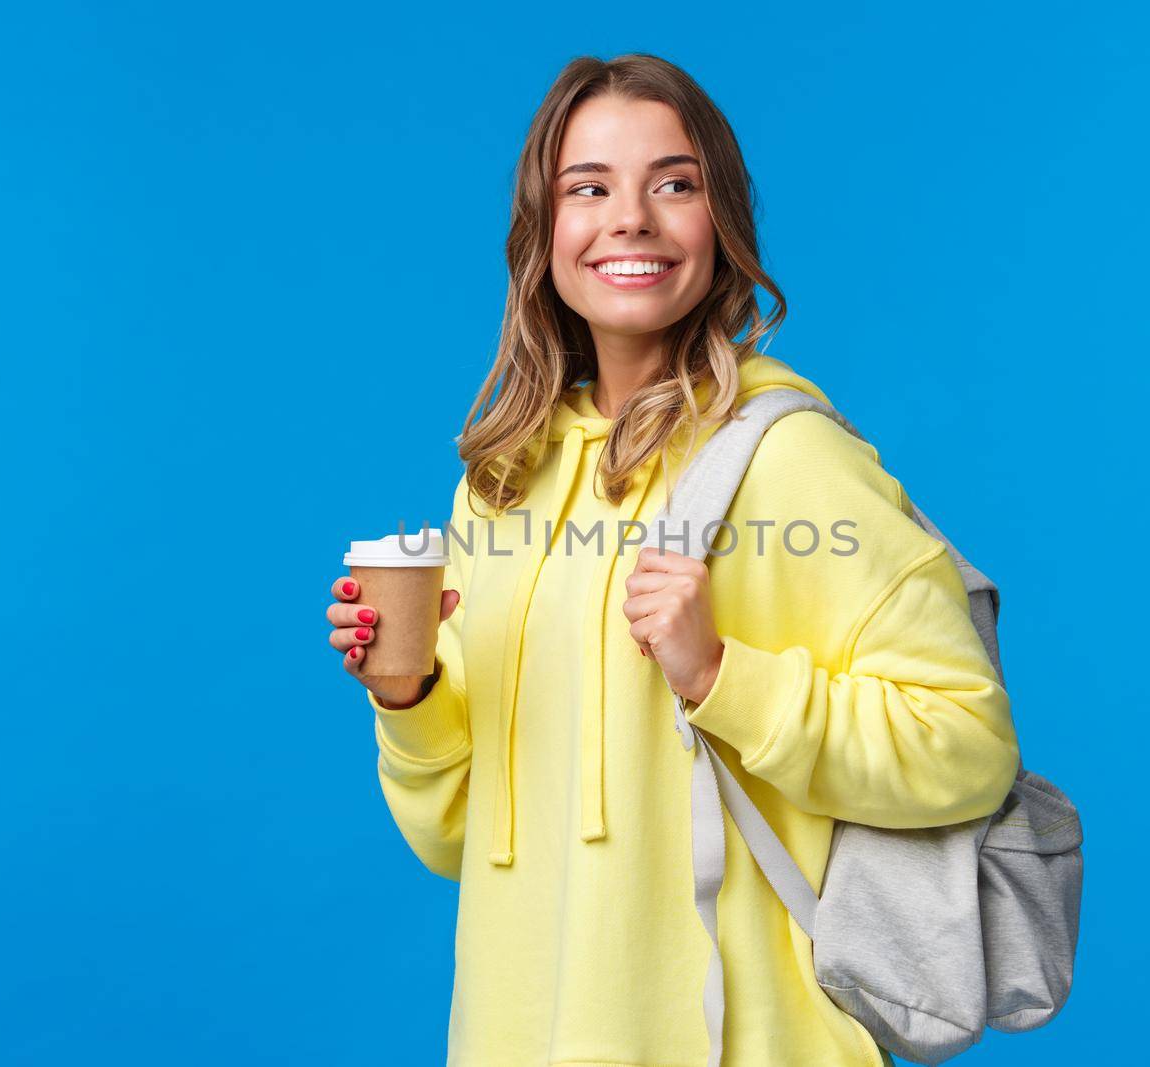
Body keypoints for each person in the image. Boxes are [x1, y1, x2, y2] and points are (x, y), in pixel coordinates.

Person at [325, 53, 1019, 1067]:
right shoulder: (500, 481)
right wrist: (411, 693)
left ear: (719, 222)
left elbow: (967, 747)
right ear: (543, 232)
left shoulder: (786, 458)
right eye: (588, 187)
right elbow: (453, 840)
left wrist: (718, 675)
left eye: (674, 184)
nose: (632, 219)